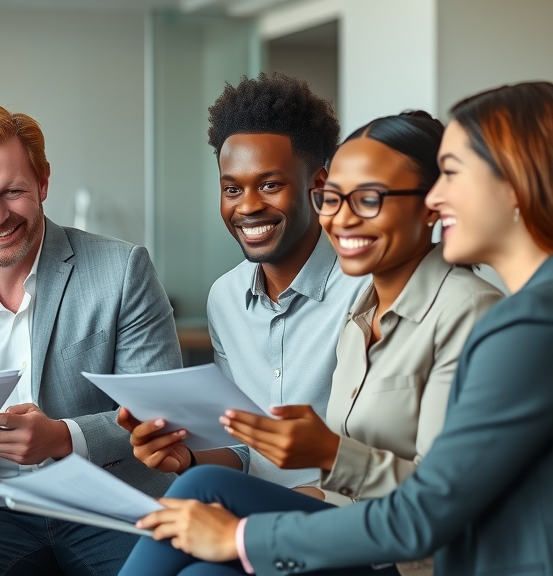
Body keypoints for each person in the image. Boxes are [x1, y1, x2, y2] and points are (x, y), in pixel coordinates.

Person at [131, 82, 553, 576]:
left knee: (206, 529)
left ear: (517, 184)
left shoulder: (500, 317)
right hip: (353, 524)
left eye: (368, 198)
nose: (441, 197)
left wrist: (247, 533)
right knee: (199, 515)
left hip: (406, 557)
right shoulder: (363, 315)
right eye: (334, 199)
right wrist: (197, 460)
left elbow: (431, 509)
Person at [0, 103, 184, 576]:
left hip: (110, 504)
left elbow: (162, 413)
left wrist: (62, 437)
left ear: (43, 183)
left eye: (13, 191)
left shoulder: (122, 270)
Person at [120, 72, 366, 492]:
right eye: (231, 189)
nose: (248, 206)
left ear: (318, 187)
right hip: (252, 504)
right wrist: (189, 457)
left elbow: (384, 450)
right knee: (180, 496)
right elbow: (240, 445)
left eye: (270, 185)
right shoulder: (226, 298)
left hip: (342, 509)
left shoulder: (364, 288)